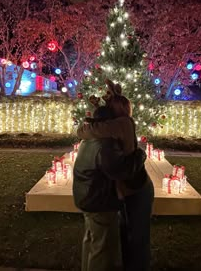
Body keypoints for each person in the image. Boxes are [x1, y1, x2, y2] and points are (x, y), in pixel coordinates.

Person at [77, 80, 154, 271]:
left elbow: (91, 130)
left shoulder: (122, 123)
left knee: (137, 236)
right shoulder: (117, 125)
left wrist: (85, 127)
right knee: (125, 234)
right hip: (128, 187)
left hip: (137, 186)